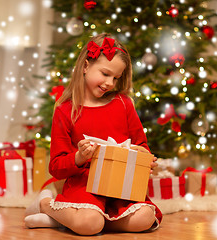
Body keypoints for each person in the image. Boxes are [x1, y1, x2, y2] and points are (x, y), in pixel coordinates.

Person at [24, 33, 162, 235]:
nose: (110, 83)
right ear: (86, 66)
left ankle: (70, 220)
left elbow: (142, 145)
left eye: (116, 78)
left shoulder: (124, 104)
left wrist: (144, 159)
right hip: (84, 186)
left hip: (119, 187)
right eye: (105, 74)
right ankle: (47, 205)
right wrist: (80, 157)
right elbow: (56, 167)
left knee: (145, 218)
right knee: (90, 224)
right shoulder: (65, 110)